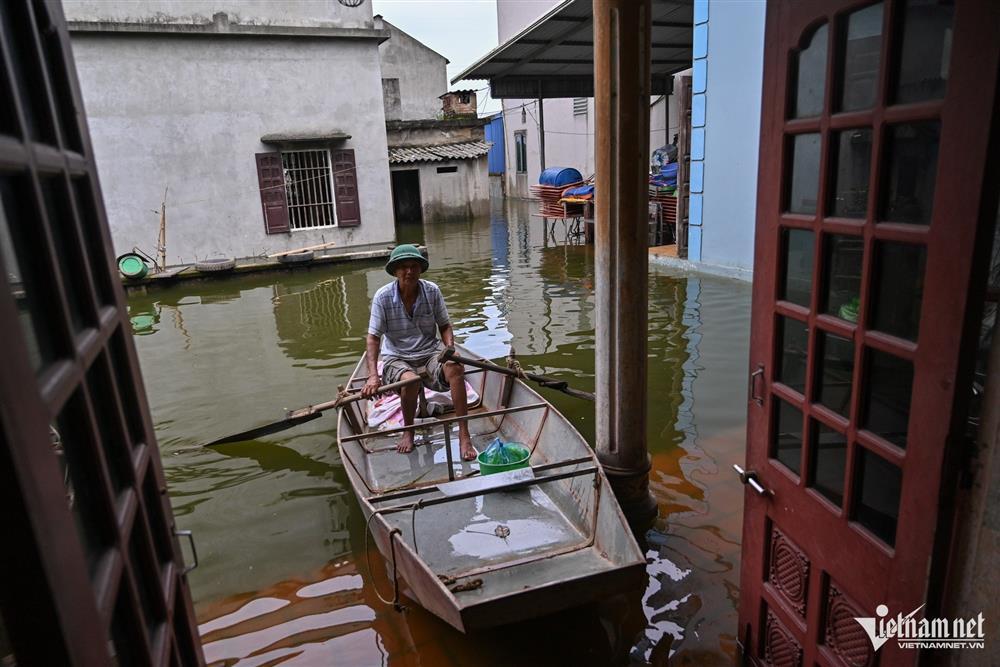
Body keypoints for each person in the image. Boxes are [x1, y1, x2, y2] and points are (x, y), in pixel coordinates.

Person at [362, 244, 476, 460]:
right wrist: (373, 375)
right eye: (403, 267)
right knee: (411, 381)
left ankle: (464, 434)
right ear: (395, 271)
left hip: (430, 352)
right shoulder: (382, 297)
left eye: (414, 266)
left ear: (420, 269)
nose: (409, 271)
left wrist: (450, 348)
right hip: (397, 357)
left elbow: (444, 325)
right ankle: (409, 430)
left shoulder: (431, 290)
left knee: (456, 366)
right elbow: (373, 338)